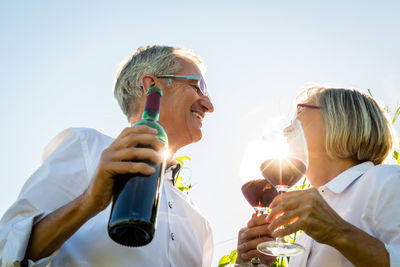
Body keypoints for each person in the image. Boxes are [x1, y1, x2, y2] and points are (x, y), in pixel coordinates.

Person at [0, 45, 215, 266]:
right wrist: (87, 203)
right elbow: (6, 250)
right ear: (152, 85)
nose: (209, 106)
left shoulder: (200, 221)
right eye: (198, 87)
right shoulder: (88, 147)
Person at [237, 87, 400, 266]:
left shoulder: (389, 180)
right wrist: (254, 263)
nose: (286, 129)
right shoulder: (305, 234)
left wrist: (337, 232)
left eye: (300, 111)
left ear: (339, 118)